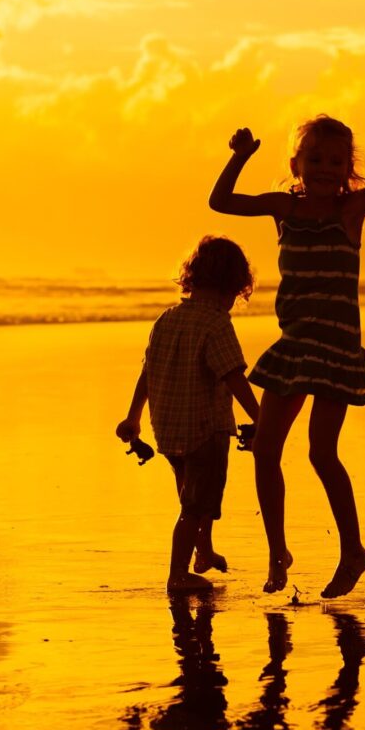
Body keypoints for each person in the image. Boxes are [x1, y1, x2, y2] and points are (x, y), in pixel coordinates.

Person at [209, 70, 365, 596]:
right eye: (315, 160)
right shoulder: (285, 209)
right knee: (265, 452)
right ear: (296, 166)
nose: (325, 170)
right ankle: (278, 553)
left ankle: (353, 550)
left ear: (348, 169)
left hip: (336, 348)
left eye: (335, 162)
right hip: (295, 344)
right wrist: (238, 157)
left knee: (322, 453)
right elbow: (221, 203)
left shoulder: (353, 210)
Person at [116, 236, 260, 592]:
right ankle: (177, 575)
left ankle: (205, 551)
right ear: (231, 286)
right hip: (205, 428)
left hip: (168, 427)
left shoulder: (166, 319)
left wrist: (133, 416)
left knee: (195, 493)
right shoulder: (215, 323)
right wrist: (262, 418)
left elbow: (148, 371)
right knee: (195, 504)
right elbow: (233, 376)